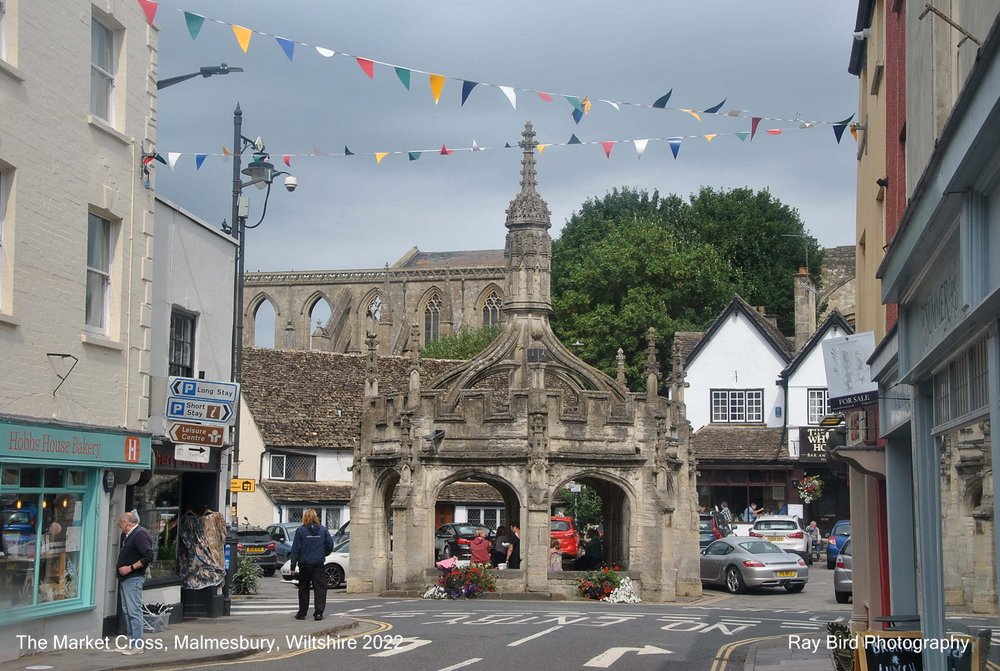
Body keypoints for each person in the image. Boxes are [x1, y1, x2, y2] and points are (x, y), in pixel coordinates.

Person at [115, 511, 154, 655]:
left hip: (133, 578)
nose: (120, 527)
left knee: (134, 611)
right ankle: (132, 643)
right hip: (126, 579)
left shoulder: (140, 534)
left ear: (126, 523)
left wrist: (130, 568)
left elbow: (148, 556)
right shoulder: (128, 535)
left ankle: (138, 645)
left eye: (120, 524)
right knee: (127, 611)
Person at [289, 509, 334, 621]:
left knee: (303, 588)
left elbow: (295, 550)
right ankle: (318, 613)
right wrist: (323, 554)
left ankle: (302, 613)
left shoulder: (300, 531)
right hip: (318, 564)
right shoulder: (323, 530)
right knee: (320, 589)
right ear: (316, 518)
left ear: (304, 518)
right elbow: (330, 545)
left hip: (304, 565)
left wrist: (293, 566)